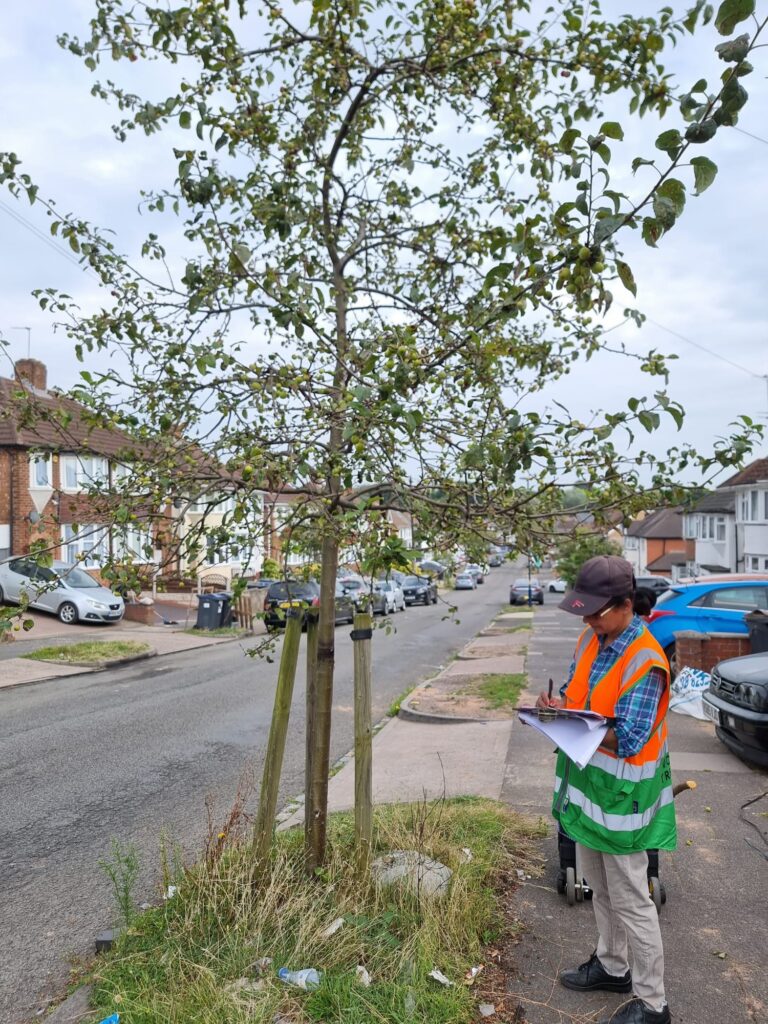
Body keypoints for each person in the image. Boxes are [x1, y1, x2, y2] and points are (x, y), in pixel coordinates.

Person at [537, 555, 675, 1024]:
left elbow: (631, 737)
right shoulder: (592, 638)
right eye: (585, 610)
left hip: (622, 800)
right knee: (597, 884)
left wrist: (572, 724)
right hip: (588, 788)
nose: (589, 619)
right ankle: (613, 966)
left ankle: (654, 1002)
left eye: (597, 611)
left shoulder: (647, 660)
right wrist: (555, 708)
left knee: (632, 896)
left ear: (626, 604)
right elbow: (580, 695)